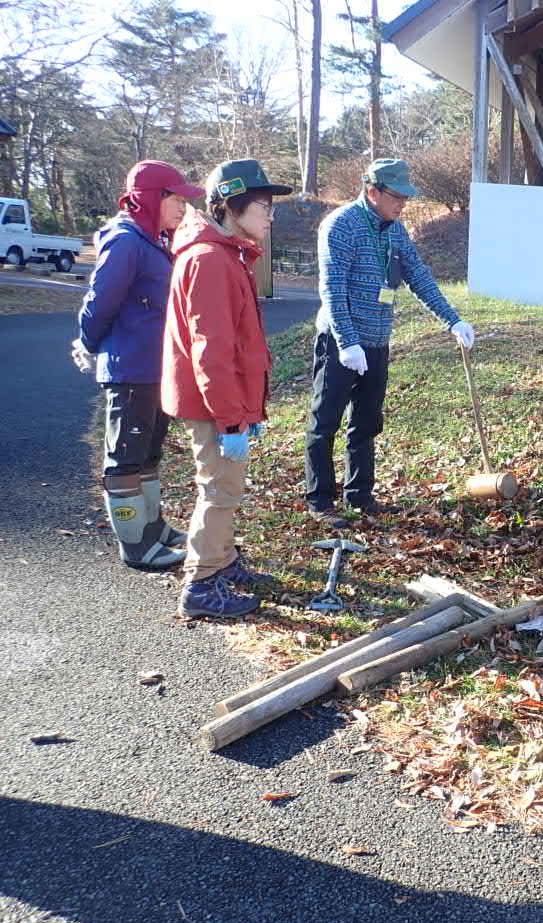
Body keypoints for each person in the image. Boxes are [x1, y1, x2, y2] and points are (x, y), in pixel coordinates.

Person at [305, 158, 475, 526]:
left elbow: (418, 275)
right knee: (326, 420)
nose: (403, 205)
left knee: (366, 422)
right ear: (372, 191)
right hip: (340, 341)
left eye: (406, 198)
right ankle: (320, 500)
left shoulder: (395, 230)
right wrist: (347, 342)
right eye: (397, 197)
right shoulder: (341, 225)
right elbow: (332, 289)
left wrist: (453, 320)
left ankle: (360, 495)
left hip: (377, 341)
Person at [162, 159, 293, 619]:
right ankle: (200, 584)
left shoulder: (228, 253)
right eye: (263, 206)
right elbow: (210, 352)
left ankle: (224, 562)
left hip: (230, 400)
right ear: (230, 205)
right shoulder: (210, 259)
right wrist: (231, 419)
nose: (269, 216)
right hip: (216, 403)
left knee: (227, 486)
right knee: (218, 489)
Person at [72, 161, 204, 571]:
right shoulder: (126, 239)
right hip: (130, 368)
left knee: (148, 455)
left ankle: (154, 529)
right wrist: (88, 342)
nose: (183, 207)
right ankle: (136, 546)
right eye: (176, 198)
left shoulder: (152, 239)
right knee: (126, 459)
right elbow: (101, 299)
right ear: (152, 198)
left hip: (155, 368)